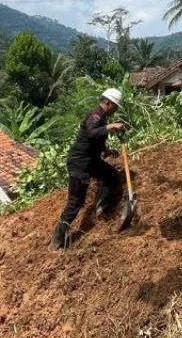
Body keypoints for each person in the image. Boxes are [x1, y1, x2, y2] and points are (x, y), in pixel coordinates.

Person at [50, 88, 128, 250]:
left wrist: (106, 150)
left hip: (91, 161)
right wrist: (111, 126)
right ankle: (57, 240)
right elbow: (92, 133)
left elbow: (95, 140)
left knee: (112, 176)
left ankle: (101, 207)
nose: (115, 111)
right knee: (75, 202)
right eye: (115, 107)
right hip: (79, 164)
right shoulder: (96, 116)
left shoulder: (102, 118)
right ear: (108, 103)